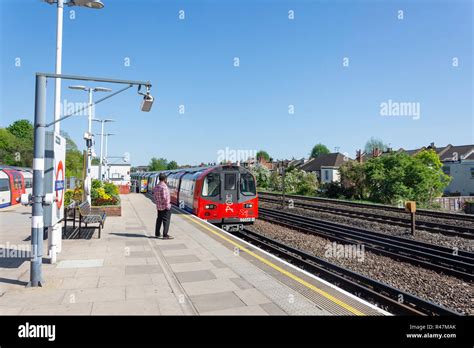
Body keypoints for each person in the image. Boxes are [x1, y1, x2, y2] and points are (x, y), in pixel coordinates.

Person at [153, 173, 173, 239]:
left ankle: (157, 233)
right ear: (165, 179)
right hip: (165, 207)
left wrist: (158, 203)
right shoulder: (164, 187)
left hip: (159, 207)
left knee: (159, 220)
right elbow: (165, 198)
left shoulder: (156, 186)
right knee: (166, 220)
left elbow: (154, 197)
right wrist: (167, 205)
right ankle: (165, 235)